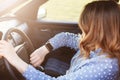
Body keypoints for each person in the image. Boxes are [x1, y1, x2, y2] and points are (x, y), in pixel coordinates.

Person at [0, 0, 120, 80]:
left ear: (98, 31)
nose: (82, 33)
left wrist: (14, 58)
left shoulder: (104, 66)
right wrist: (45, 49)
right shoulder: (96, 45)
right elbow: (66, 37)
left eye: (85, 29)